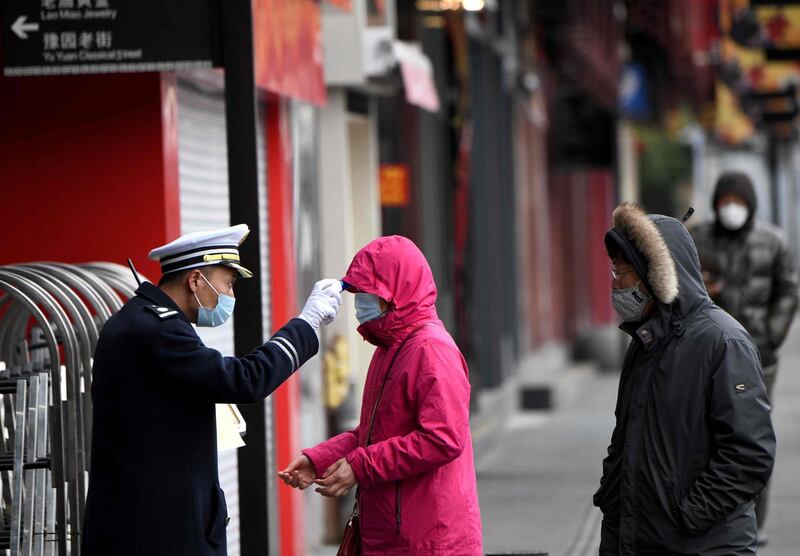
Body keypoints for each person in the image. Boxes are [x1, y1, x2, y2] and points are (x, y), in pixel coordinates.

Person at [82, 224, 342, 555]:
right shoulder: (158, 330)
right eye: (228, 284)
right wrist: (306, 324)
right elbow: (245, 380)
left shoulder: (144, 320)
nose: (231, 297)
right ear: (195, 281)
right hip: (156, 531)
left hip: (145, 523)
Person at [279, 235, 483, 555]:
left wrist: (360, 466)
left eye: (369, 293)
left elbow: (443, 438)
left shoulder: (430, 350)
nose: (361, 302)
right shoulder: (390, 346)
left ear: (396, 294)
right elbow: (374, 433)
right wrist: (320, 458)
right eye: (358, 293)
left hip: (429, 538)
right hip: (393, 532)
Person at [594, 203, 775, 555]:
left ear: (655, 273)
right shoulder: (644, 341)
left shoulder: (723, 341)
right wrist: (612, 506)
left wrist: (688, 516)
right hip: (635, 540)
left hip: (703, 544)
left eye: (623, 273)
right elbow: (625, 440)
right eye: (613, 272)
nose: (616, 285)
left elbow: (749, 454)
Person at [690, 171, 799, 543]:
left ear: (750, 204)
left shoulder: (772, 241)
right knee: (706, 433)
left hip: (758, 357)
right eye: (724, 202)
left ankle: (754, 521)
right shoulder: (697, 238)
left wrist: (771, 335)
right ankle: (712, 514)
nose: (731, 209)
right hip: (706, 355)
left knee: (750, 435)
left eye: (737, 202)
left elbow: (788, 291)